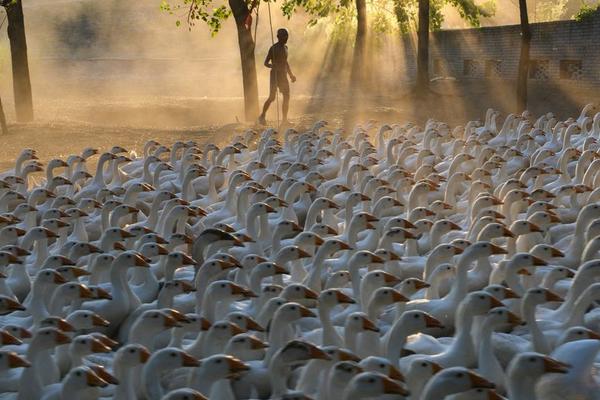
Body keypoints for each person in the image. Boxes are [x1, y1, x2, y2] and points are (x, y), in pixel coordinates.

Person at [258, 28, 296, 126]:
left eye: (287, 35)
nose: (286, 37)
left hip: (283, 75)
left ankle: (284, 120)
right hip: (275, 75)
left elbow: (286, 63)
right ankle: (262, 116)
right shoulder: (273, 48)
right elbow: (265, 63)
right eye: (284, 36)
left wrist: (291, 75)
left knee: (286, 96)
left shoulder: (286, 48)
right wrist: (272, 65)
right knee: (272, 97)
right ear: (278, 37)